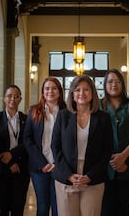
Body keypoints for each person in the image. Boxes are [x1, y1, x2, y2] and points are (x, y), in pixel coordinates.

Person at [52, 74, 113, 216]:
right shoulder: (63, 116)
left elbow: (107, 150)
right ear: (72, 94)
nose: (81, 93)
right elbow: (55, 147)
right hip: (66, 178)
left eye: (86, 90)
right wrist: (68, 175)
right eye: (77, 90)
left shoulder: (103, 118)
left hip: (93, 178)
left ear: (92, 93)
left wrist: (90, 175)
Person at [100, 69, 129, 216]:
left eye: (117, 81)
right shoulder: (98, 107)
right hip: (103, 167)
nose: (114, 84)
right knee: (105, 208)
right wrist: (112, 160)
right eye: (110, 81)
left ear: (123, 84)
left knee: (122, 208)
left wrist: (123, 156)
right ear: (105, 85)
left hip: (128, 165)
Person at [24, 77, 66, 216]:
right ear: (43, 92)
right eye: (47, 88)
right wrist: (42, 163)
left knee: (58, 207)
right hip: (39, 167)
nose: (50, 91)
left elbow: (70, 141)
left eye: (54, 88)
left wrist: (58, 163)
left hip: (60, 167)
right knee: (42, 206)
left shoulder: (67, 112)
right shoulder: (34, 110)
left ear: (59, 91)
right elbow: (27, 139)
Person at [0, 85, 30, 216]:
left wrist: (12, 156)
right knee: (1, 208)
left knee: (18, 209)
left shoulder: (27, 119)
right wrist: (9, 163)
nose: (12, 99)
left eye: (16, 96)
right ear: (4, 99)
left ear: (20, 99)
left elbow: (28, 143)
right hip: (0, 170)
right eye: (9, 96)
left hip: (21, 169)